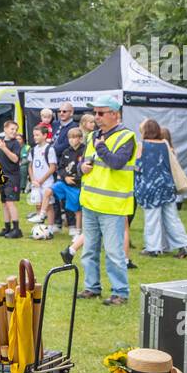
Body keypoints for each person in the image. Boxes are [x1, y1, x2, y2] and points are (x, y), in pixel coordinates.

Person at [77, 94, 136, 306]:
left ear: (115, 114)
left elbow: (117, 162)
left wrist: (101, 147)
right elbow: (84, 162)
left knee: (113, 253)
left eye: (101, 113)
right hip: (91, 202)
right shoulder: (93, 136)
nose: (97, 117)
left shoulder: (127, 137)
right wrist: (80, 168)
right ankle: (91, 287)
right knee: (89, 250)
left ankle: (120, 292)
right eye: (95, 113)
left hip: (112, 206)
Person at [135, 119, 187, 259]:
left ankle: (153, 248)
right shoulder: (165, 144)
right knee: (172, 217)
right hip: (166, 185)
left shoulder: (141, 145)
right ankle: (184, 245)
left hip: (150, 186)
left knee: (152, 219)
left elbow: (137, 166)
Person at [51, 127, 85, 236]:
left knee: (77, 209)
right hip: (65, 182)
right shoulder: (66, 151)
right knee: (49, 191)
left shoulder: (85, 151)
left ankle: (78, 230)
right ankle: (43, 215)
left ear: (80, 139)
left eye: (74, 137)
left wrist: (75, 179)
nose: (71, 140)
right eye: (69, 137)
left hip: (77, 185)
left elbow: (86, 168)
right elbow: (60, 167)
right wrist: (65, 177)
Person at [0, 120, 23, 238]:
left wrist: (4, 148)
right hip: (2, 176)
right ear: (5, 129)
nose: (14, 132)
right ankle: (7, 227)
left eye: (16, 130)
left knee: (10, 202)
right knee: (4, 203)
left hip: (12, 177)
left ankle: (17, 229)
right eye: (12, 129)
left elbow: (15, 159)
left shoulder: (15, 144)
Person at [27, 123, 56, 231]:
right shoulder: (33, 150)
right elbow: (30, 166)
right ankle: (39, 226)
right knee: (38, 204)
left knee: (48, 205)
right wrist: (33, 179)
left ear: (44, 135)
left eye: (37, 135)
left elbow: (52, 167)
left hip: (47, 182)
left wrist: (41, 180)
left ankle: (50, 227)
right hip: (36, 182)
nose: (35, 137)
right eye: (34, 135)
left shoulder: (50, 149)